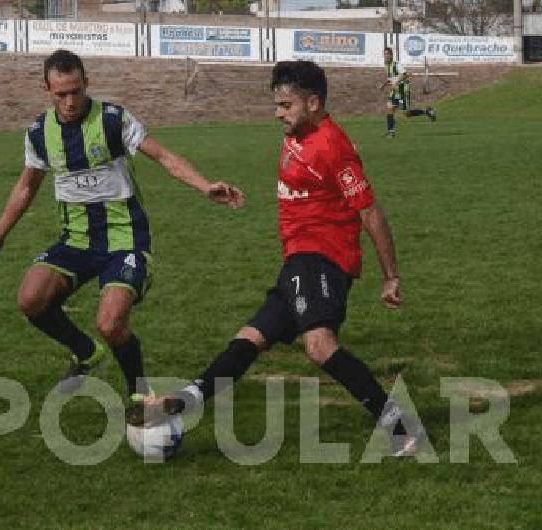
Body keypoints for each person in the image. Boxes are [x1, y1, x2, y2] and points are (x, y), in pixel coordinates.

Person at [128, 60, 426, 457]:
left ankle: (402, 429)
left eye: (286, 105)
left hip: (322, 258)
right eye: (277, 104)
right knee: (250, 338)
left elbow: (370, 211)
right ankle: (183, 403)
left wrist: (391, 276)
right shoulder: (297, 134)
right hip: (297, 261)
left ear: (314, 103)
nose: (278, 113)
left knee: (319, 345)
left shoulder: (333, 146)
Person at [0, 50, 245, 402]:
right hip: (76, 241)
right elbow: (27, 187)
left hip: (125, 239)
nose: (70, 101)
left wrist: (204, 185)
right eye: (61, 94)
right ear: (47, 90)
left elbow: (164, 157)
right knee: (30, 299)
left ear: (87, 82)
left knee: (110, 323)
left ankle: (138, 393)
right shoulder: (40, 133)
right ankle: (86, 353)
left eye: (76, 90)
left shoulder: (113, 120)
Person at [380, 47, 436, 138]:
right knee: (389, 109)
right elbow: (391, 77)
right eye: (384, 54)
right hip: (394, 91)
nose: (385, 56)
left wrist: (397, 83)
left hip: (402, 90)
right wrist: (384, 84)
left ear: (391, 55)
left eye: (387, 54)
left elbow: (405, 74)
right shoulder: (386, 65)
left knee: (407, 113)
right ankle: (391, 132)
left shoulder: (396, 64)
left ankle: (427, 112)